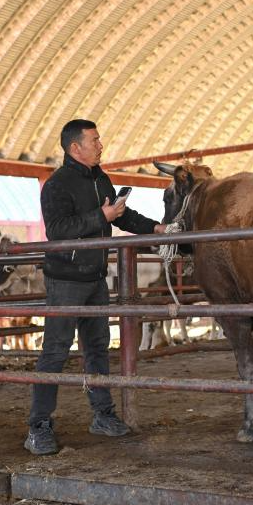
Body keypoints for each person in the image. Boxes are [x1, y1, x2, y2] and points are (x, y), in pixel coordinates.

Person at [25, 119, 166, 456]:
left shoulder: (100, 178)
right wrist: (101, 216)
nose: (101, 145)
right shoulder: (57, 185)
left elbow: (121, 215)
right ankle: (38, 426)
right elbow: (58, 230)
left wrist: (155, 229)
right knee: (55, 351)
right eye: (95, 140)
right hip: (66, 280)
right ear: (76, 147)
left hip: (95, 278)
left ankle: (102, 415)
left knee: (98, 348)